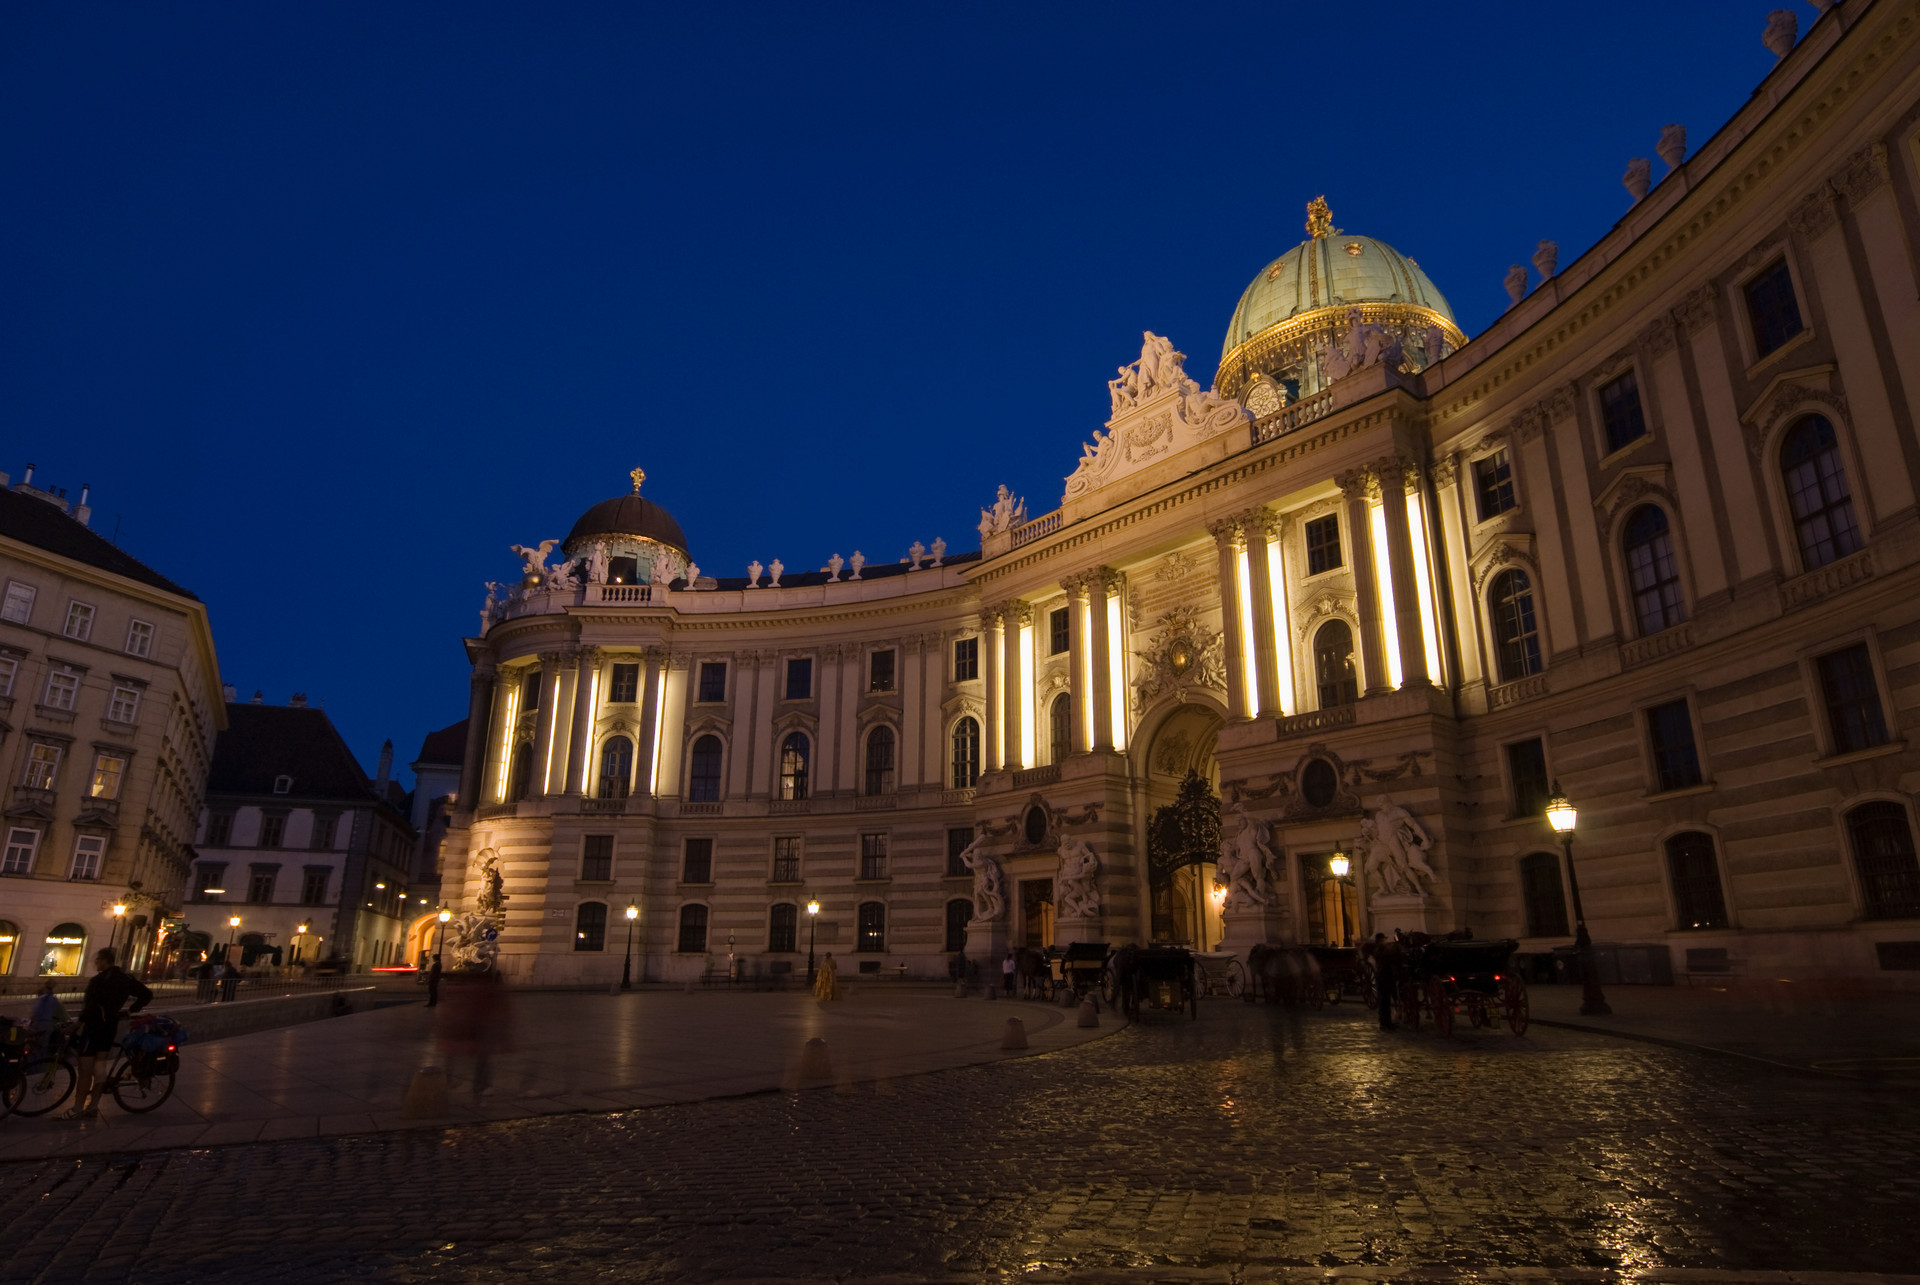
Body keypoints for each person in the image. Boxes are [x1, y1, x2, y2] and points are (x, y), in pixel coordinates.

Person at [66, 947, 152, 1120]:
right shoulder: (126, 978)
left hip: (93, 1027)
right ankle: (93, 1106)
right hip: (110, 1026)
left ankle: (76, 1109)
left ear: (105, 960)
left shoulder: (99, 980)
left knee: (85, 1070)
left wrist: (77, 1024)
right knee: (100, 1067)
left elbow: (90, 1007)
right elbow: (147, 994)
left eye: (97, 960)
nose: (96, 963)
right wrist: (130, 1010)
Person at [1370, 933, 1396, 1031]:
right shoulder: (1379, 951)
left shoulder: (1382, 950)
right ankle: (1384, 1023)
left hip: (1386, 977)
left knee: (1386, 1001)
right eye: (1383, 940)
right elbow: (1385, 957)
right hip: (1382, 977)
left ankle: (1387, 1022)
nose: (1384, 942)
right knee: (1384, 1001)